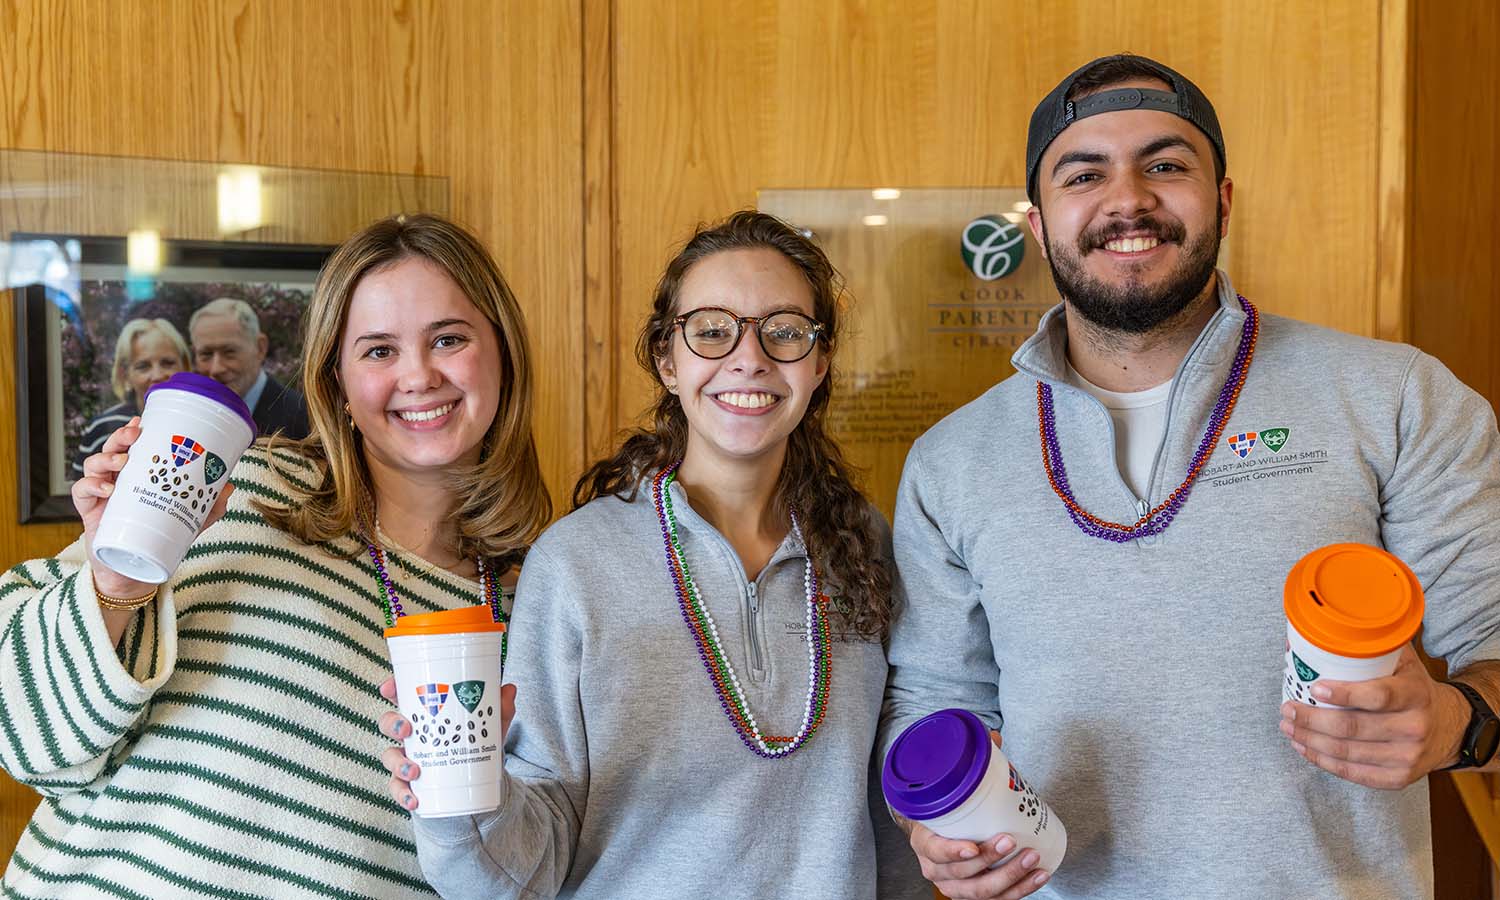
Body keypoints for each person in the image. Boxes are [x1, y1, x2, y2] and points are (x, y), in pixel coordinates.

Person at [881, 54, 1500, 900]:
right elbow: (933, 700)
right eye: (1083, 174)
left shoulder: (1393, 397)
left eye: (1166, 165)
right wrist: (933, 828)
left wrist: (1458, 725)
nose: (1128, 199)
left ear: (1224, 200)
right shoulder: (950, 461)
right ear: (1038, 225)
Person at [0, 213, 552, 897]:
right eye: (379, 350)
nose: (418, 376)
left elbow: (518, 871)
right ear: (337, 382)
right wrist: (114, 576)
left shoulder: (537, 609)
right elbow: (23, 736)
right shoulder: (231, 490)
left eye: (448, 339)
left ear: (503, 354)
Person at [379, 211, 927, 899]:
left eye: (785, 330)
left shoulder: (866, 546)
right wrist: (465, 801)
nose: (749, 358)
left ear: (819, 362)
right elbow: (526, 867)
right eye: (712, 331)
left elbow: (889, 826)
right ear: (668, 361)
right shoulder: (576, 564)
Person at [70, 317, 190, 480]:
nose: (157, 375)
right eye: (143, 366)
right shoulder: (103, 428)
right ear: (125, 374)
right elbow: (80, 490)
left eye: (168, 363)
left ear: (185, 366)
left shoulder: (205, 427)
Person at [190, 296, 311, 439]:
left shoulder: (303, 419)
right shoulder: (189, 417)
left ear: (260, 348)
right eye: (206, 354)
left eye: (229, 352)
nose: (216, 369)